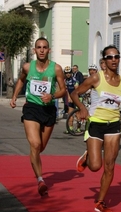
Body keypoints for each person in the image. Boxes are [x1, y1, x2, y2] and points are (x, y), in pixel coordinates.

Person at [71, 45, 121, 212]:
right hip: (95, 124)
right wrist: (82, 109)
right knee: (95, 166)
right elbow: (74, 94)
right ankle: (88, 157)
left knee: (109, 165)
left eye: (116, 56)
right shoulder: (96, 78)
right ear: (104, 60)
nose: (114, 60)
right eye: (110, 57)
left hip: (114, 125)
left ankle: (100, 202)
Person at [9, 37, 67, 196]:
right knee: (35, 144)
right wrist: (14, 96)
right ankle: (40, 180)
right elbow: (21, 81)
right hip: (31, 108)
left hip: (48, 110)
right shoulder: (28, 67)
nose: (41, 50)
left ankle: (36, 162)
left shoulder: (56, 69)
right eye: (39, 47)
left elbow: (63, 90)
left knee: (40, 147)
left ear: (49, 50)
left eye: (45, 47)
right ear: (34, 50)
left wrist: (53, 96)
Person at [64, 66, 79, 134]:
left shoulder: (74, 80)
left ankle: (78, 128)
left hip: (77, 97)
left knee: (78, 114)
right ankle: (70, 128)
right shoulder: (65, 80)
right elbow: (67, 90)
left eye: (69, 73)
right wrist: (69, 97)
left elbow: (77, 90)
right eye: (66, 73)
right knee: (70, 113)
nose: (68, 74)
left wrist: (73, 98)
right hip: (70, 98)